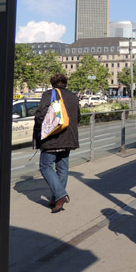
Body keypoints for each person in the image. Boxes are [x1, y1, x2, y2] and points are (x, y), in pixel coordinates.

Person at [33, 73, 80, 213]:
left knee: (45, 166)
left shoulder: (50, 94)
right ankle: (56, 199)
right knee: (63, 168)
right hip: (69, 138)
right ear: (65, 83)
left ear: (53, 83)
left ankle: (60, 195)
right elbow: (77, 117)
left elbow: (40, 115)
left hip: (52, 139)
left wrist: (41, 132)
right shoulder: (73, 96)